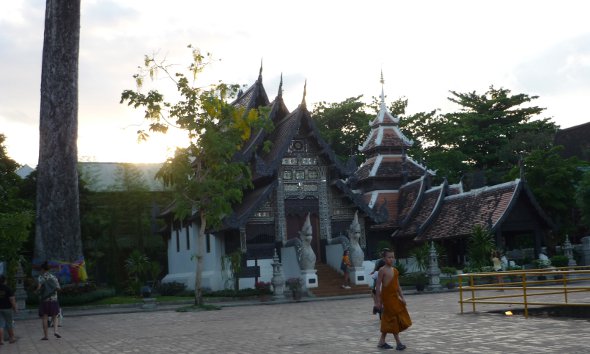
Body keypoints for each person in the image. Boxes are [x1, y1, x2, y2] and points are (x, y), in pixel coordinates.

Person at [375, 249, 411, 350]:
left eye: (392, 257)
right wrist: (378, 301)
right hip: (387, 299)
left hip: (395, 298)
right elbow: (378, 287)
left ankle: (382, 341)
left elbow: (398, 286)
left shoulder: (395, 271)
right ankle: (398, 343)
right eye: (389, 257)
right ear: (384, 258)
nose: (391, 259)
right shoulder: (382, 270)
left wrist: (402, 297)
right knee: (393, 318)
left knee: (388, 319)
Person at [36, 262, 61, 340]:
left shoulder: (41, 277)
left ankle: (46, 336)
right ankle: (56, 331)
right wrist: (52, 289)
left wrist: (36, 291)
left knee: (45, 317)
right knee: (55, 316)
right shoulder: (53, 277)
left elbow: (39, 288)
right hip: (53, 299)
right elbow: (58, 288)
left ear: (43, 269)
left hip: (44, 300)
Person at [0, 275, 18, 345]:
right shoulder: (8, 288)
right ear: (5, 280)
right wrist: (15, 308)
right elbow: (12, 299)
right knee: (9, 323)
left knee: (0, 324)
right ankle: (12, 338)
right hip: (7, 308)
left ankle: (1, 340)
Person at [370, 249, 388, 316]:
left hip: (378, 287)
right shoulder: (388, 261)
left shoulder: (378, 263)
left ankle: (375, 305)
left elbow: (375, 271)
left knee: (373, 293)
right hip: (385, 287)